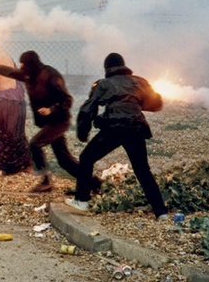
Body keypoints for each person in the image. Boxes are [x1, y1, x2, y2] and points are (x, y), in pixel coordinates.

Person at [66, 52, 169, 219]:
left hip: (114, 128)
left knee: (86, 158)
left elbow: (87, 109)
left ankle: (82, 200)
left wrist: (82, 133)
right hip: (136, 127)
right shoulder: (139, 82)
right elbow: (156, 104)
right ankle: (161, 212)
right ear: (124, 65)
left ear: (107, 68)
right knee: (143, 170)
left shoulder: (103, 84)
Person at [0, 47, 80, 193]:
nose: (22, 68)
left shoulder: (50, 75)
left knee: (35, 145)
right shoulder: (28, 75)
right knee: (64, 159)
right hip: (50, 122)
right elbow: (6, 71)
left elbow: (67, 100)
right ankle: (91, 182)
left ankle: (45, 181)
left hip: (58, 121)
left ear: (31, 64)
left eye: (24, 65)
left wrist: (51, 109)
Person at [0, 38, 32, 176]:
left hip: (4, 100)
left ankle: (0, 168)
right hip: (18, 99)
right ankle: (26, 165)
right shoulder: (8, 56)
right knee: (17, 133)